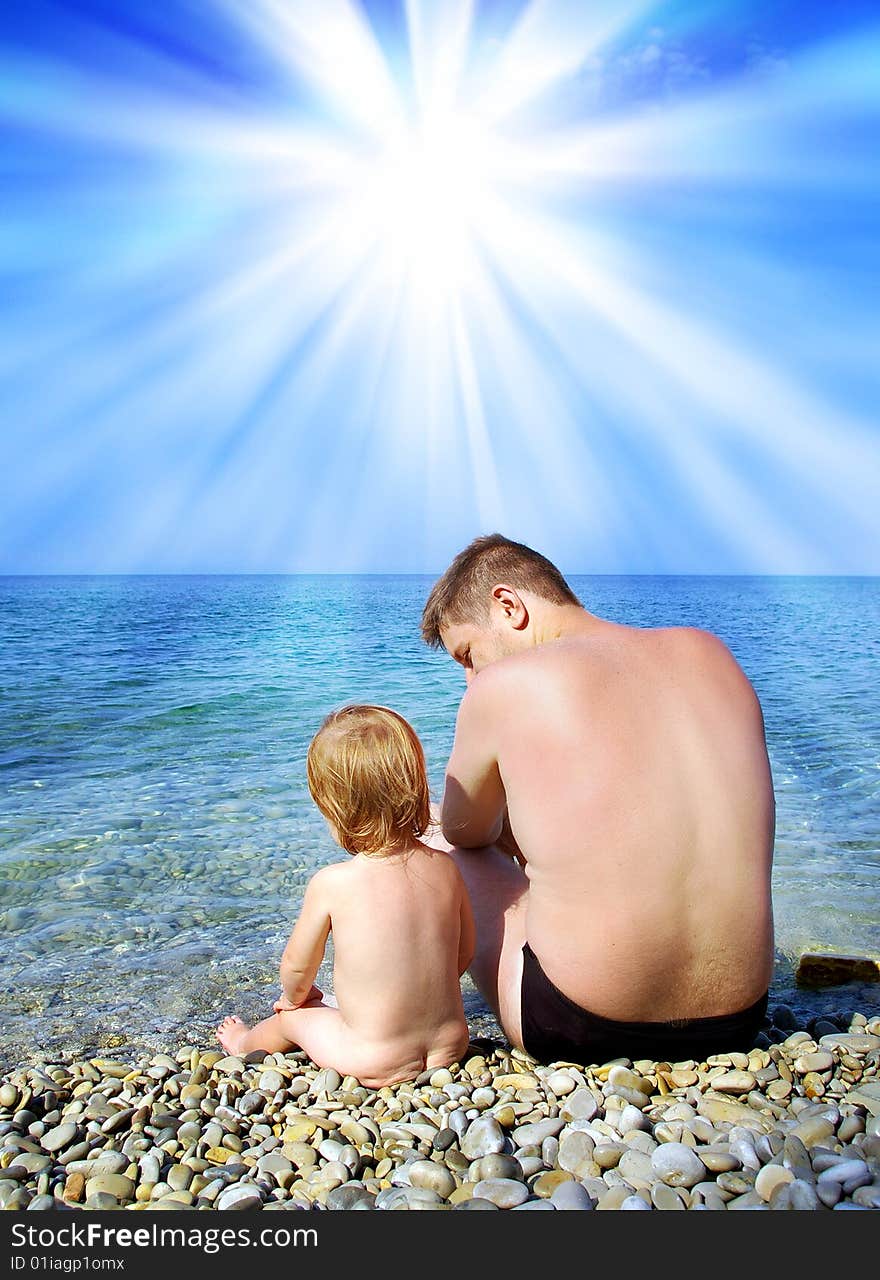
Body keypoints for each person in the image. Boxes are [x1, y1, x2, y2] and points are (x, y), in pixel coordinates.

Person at [421, 534, 775, 1065]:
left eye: (467, 655)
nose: (469, 678)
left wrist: (497, 830)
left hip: (579, 1023)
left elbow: (465, 831)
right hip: (740, 1017)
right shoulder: (711, 652)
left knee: (441, 841)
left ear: (509, 606)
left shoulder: (502, 687)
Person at [216, 705, 474, 1087]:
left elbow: (297, 966)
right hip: (451, 1042)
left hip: (372, 1056)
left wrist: (295, 998)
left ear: (334, 808)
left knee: (292, 1019)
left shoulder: (333, 883)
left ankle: (243, 1044)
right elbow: (464, 951)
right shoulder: (447, 868)